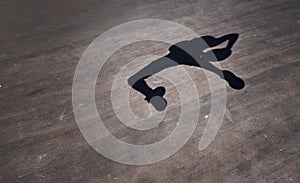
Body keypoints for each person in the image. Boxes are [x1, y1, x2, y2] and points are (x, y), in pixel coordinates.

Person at [128, 34, 245, 111]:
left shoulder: (201, 57)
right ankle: (149, 94)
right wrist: (228, 47)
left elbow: (232, 36)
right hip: (176, 56)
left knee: (135, 79)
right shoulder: (204, 48)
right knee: (135, 79)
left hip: (175, 57)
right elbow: (233, 36)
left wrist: (227, 47)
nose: (211, 57)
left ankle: (150, 93)